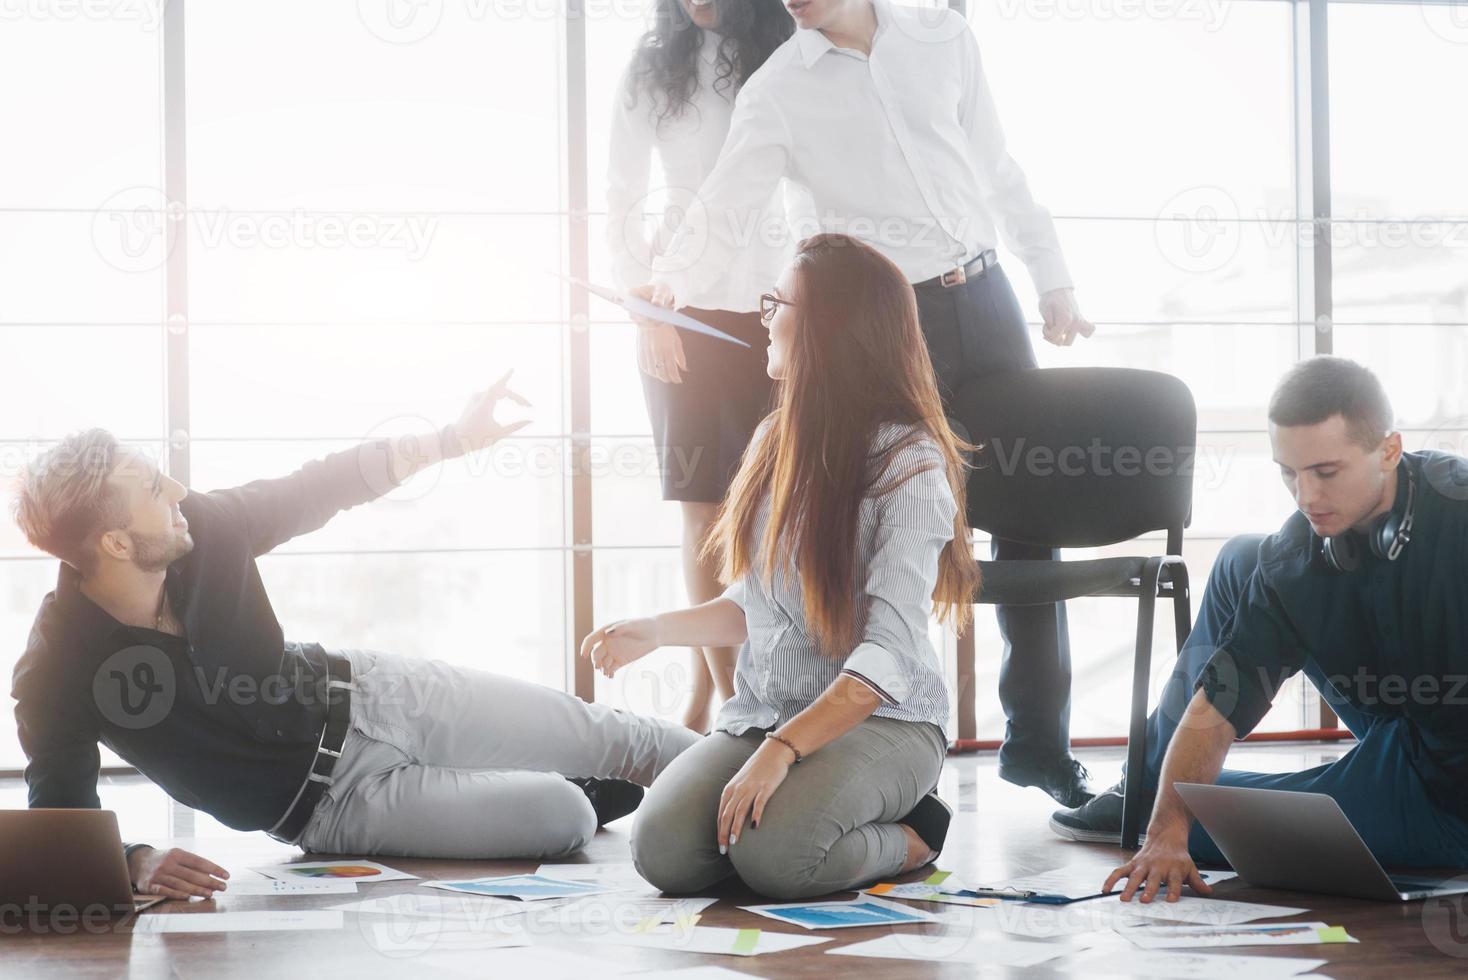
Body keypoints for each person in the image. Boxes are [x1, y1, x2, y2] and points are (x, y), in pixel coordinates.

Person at [632, 0, 1097, 806]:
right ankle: (866, 743)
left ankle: (1038, 745)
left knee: (1030, 522)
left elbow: (999, 166)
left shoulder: (942, 37)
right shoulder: (778, 89)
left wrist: (1051, 275)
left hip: (986, 297)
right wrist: (667, 278)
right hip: (887, 324)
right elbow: (724, 204)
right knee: (865, 530)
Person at [10, 374, 700, 901]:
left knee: (614, 735)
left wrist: (449, 440)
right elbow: (59, 812)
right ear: (116, 541)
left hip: (374, 693)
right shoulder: (56, 673)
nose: (178, 489)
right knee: (566, 814)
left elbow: (316, 488)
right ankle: (582, 783)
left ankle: (772, 778)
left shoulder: (205, 526)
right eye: (155, 489)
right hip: (337, 810)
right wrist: (134, 859)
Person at [581, 233, 982, 901]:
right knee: (663, 854)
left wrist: (783, 752)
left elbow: (886, 657)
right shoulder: (775, 439)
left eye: (779, 301)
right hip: (770, 713)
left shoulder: (910, 464)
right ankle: (797, 817)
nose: (766, 315)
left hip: (884, 721)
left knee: (781, 860)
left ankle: (914, 836)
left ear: (828, 325)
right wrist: (655, 629)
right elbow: (760, 602)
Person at [1047, 357, 1468, 902]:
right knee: (1246, 560)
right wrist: (1165, 830)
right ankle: (1142, 788)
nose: (1306, 496)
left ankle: (1151, 797)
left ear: (1389, 451)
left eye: (1326, 472)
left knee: (1199, 819)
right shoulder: (1302, 547)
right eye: (1289, 472)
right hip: (1403, 716)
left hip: (1446, 795)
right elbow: (1221, 700)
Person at [607, 0, 799, 733]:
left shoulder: (785, 52)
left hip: (772, 308)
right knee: (701, 509)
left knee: (758, 515)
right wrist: (646, 310)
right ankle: (729, 705)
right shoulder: (653, 64)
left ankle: (709, 688)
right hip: (676, 308)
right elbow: (620, 193)